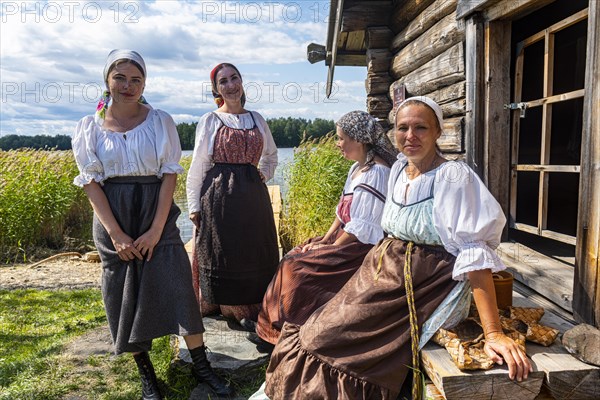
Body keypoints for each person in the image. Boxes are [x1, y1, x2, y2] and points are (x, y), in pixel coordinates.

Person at [264, 96, 533, 399]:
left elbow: (475, 254)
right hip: (383, 271)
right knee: (318, 326)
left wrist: (493, 332)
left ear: (438, 132)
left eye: (421, 127)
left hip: (426, 281)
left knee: (329, 339)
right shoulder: (397, 169)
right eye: (402, 127)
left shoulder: (453, 176)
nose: (410, 136)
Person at [72, 50, 232, 399]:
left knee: (178, 285)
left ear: (145, 83)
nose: (128, 86)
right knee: (122, 295)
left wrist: (157, 229)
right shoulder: (89, 127)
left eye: (136, 79)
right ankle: (147, 375)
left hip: (155, 212)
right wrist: (115, 234)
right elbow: (90, 184)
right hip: (113, 217)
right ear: (107, 80)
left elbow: (169, 177)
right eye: (120, 78)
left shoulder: (160, 121)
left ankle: (202, 366)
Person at [254, 111, 398, 346]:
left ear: (359, 139)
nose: (337, 143)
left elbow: (360, 228)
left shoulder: (377, 173)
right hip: (347, 240)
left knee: (297, 269)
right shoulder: (357, 168)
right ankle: (271, 330)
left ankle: (289, 334)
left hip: (360, 250)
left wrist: (329, 251)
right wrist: (326, 240)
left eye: (341, 138)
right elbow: (341, 213)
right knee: (294, 254)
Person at [186, 63, 279, 326]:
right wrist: (194, 206)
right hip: (219, 196)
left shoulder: (257, 119)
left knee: (253, 248)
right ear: (216, 89)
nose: (230, 85)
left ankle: (255, 305)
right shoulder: (211, 120)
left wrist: (263, 174)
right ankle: (228, 306)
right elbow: (198, 166)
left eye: (234, 78)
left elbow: (271, 155)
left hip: (252, 195)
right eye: (223, 81)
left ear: (241, 81)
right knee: (224, 250)